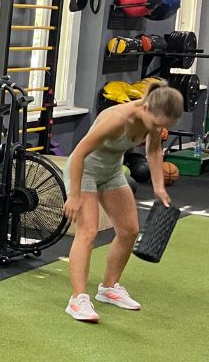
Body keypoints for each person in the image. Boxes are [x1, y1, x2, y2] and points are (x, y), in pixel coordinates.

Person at [62, 79, 182, 322]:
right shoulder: (117, 119)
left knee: (129, 230)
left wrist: (158, 186)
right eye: (160, 124)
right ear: (147, 109)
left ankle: (108, 288)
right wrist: (74, 195)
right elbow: (80, 154)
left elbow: (154, 150)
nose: (162, 129)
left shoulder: (155, 118)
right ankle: (78, 299)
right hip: (84, 170)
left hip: (112, 172)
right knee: (88, 232)